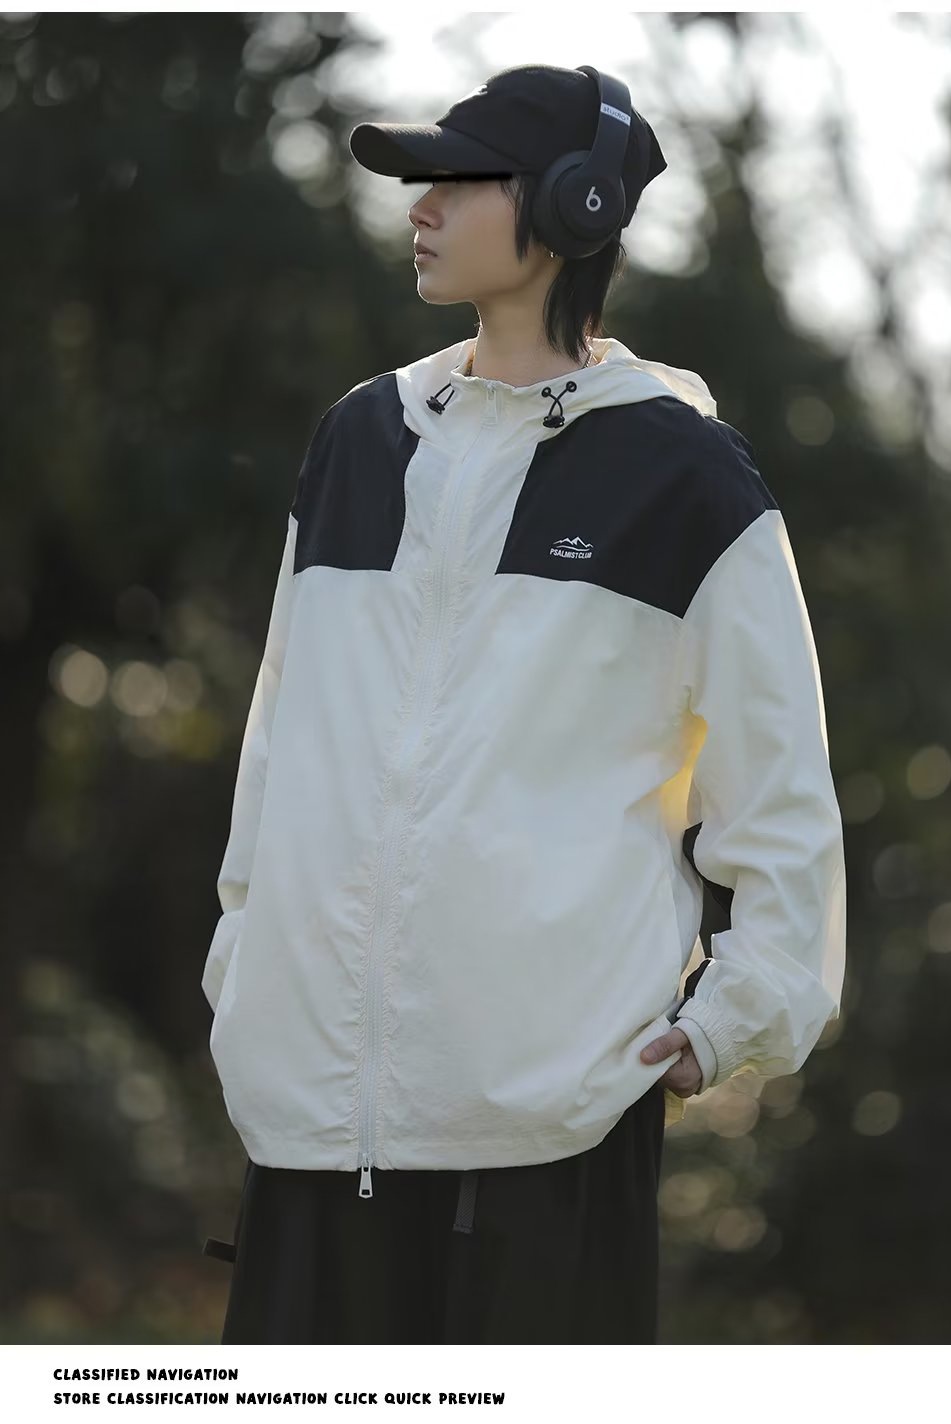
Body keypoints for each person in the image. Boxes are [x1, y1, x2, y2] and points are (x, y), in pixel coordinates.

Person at [200, 63, 847, 1345]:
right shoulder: (357, 439)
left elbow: (781, 800)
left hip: (550, 1139)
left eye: (457, 181)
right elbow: (278, 744)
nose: (420, 208)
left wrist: (731, 1020)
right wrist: (244, 972)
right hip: (305, 1126)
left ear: (571, 202)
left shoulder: (685, 477)